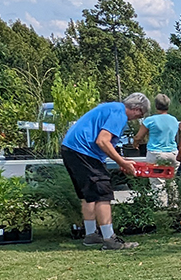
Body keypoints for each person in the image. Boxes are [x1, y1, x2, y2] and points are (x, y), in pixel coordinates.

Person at [60, 92, 150, 251]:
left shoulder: (111, 108)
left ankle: (91, 235)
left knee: (88, 195)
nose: (136, 118)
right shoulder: (120, 114)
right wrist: (121, 161)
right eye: (140, 114)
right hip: (83, 152)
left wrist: (120, 161)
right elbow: (102, 140)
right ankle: (109, 239)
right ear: (136, 109)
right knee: (103, 193)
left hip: (71, 149)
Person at [133, 94, 179, 195]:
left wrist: (135, 144)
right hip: (173, 153)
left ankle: (160, 206)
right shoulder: (174, 120)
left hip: (156, 153)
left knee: (157, 182)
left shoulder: (150, 120)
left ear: (156, 105)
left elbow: (138, 137)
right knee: (172, 181)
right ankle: (175, 205)